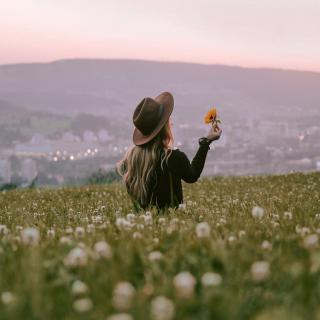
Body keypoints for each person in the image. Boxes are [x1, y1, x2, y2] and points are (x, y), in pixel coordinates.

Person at [117, 91, 222, 213]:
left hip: (144, 227)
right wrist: (206, 142)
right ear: (164, 127)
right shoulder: (173, 158)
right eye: (168, 120)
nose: (171, 122)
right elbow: (192, 176)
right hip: (173, 222)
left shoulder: (130, 159)